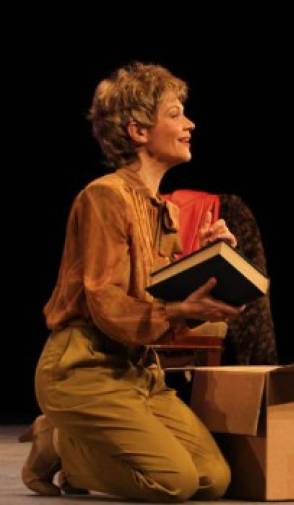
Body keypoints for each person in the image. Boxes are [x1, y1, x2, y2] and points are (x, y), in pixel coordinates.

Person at [22, 62, 239, 501]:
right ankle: (61, 445)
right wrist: (178, 310)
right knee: (174, 483)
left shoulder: (165, 211)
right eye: (175, 114)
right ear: (138, 131)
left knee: (213, 479)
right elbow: (107, 304)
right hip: (82, 367)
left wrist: (211, 261)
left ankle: (66, 440)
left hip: (135, 369)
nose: (190, 124)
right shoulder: (104, 196)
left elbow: (166, 301)